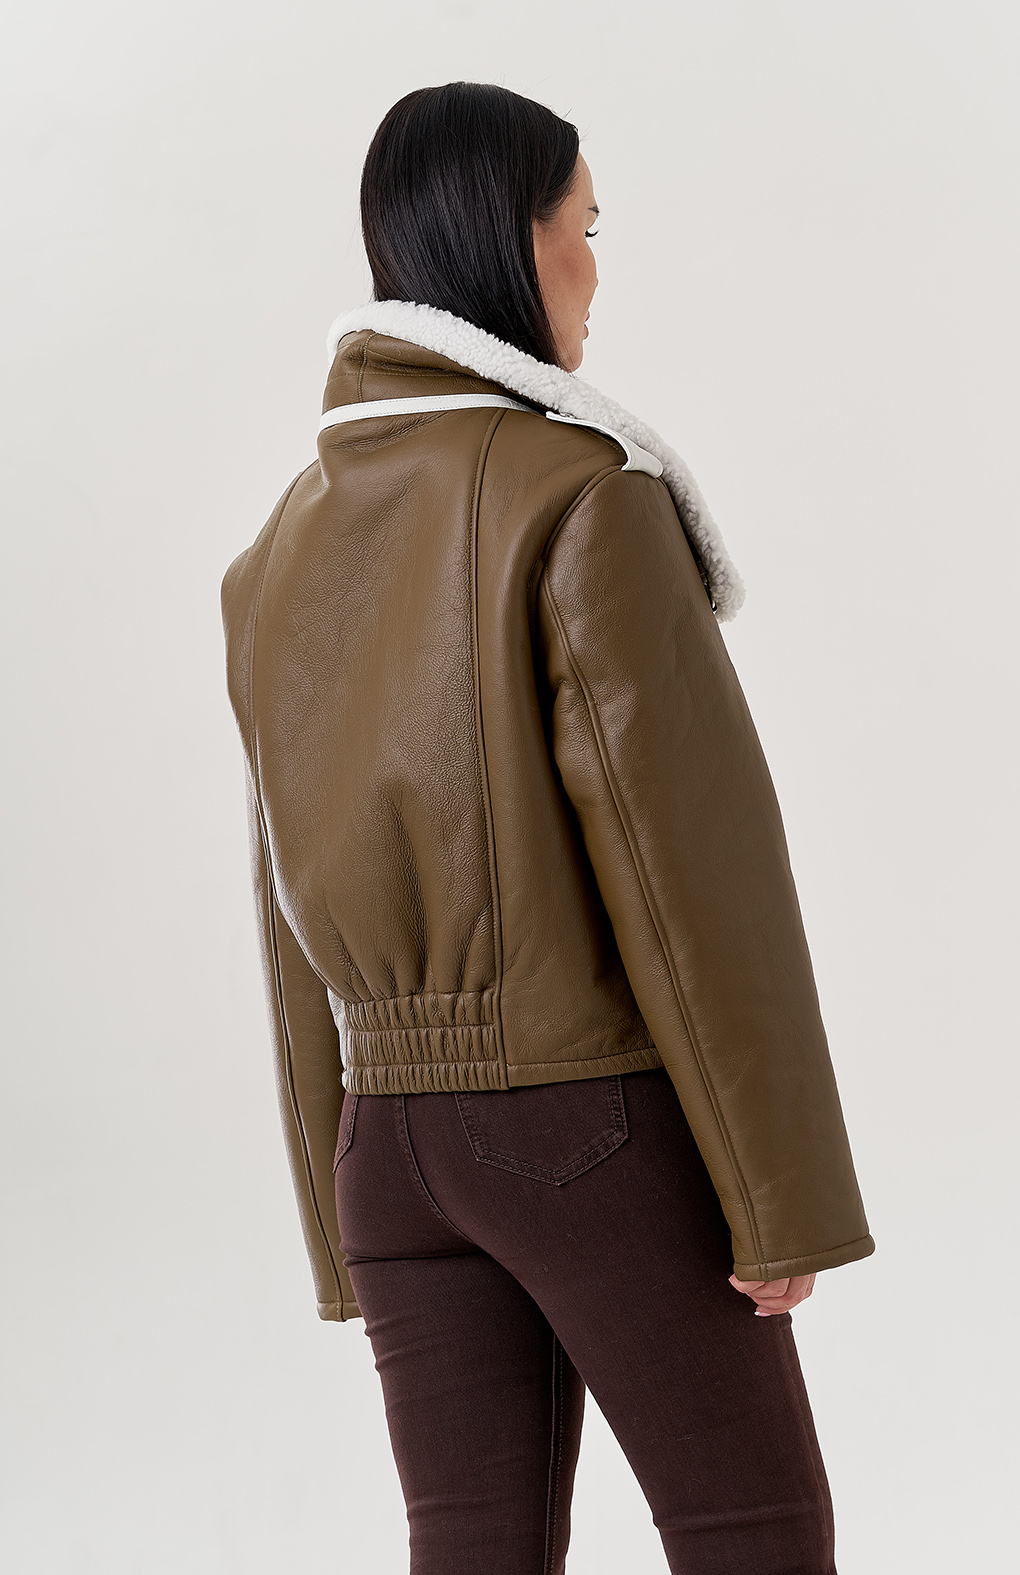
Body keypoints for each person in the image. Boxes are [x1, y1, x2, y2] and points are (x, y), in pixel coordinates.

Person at [221, 81, 875, 1575]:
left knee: (473, 1546)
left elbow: (286, 902)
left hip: (388, 1145)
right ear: (510, 245)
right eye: (584, 228)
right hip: (583, 1125)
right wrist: (776, 1197)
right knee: (753, 1532)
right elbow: (687, 873)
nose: (594, 269)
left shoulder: (280, 544)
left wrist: (341, 1206)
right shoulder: (582, 497)